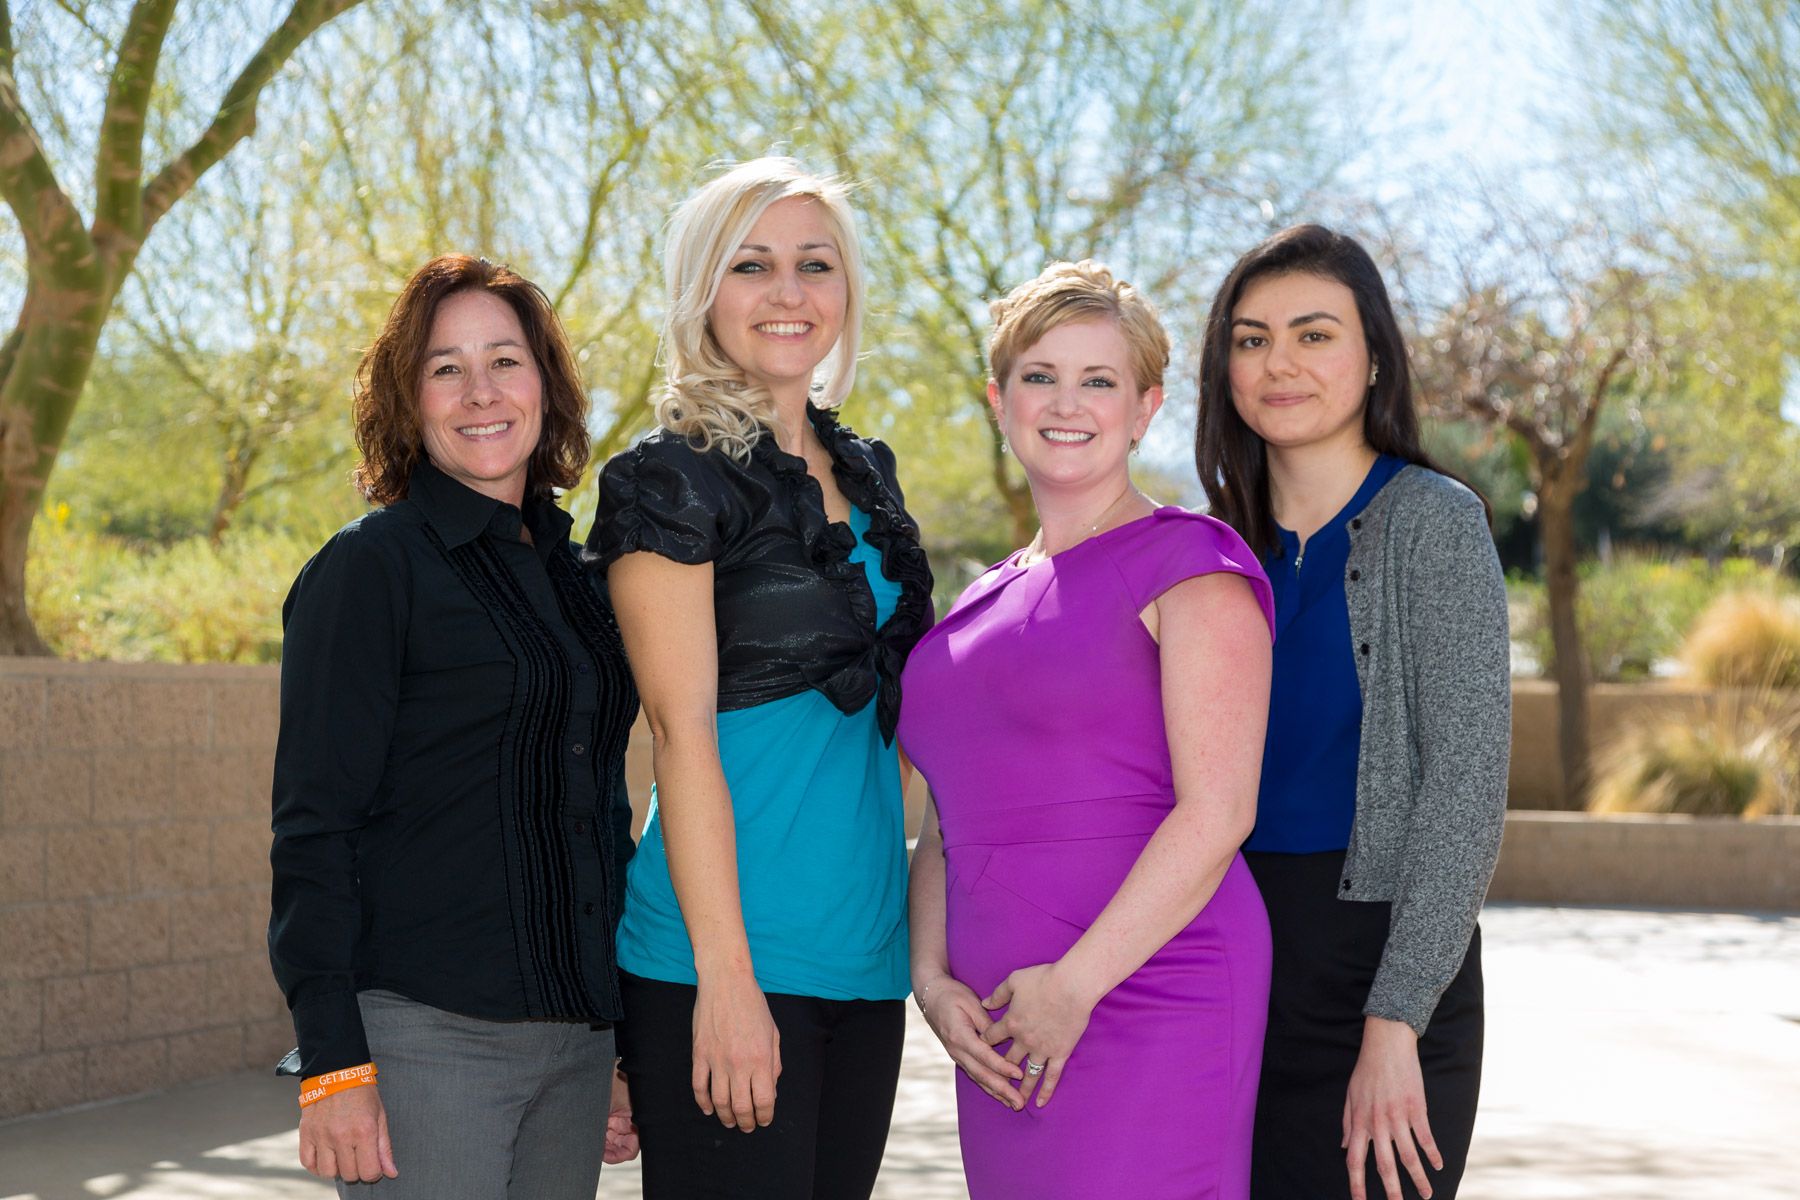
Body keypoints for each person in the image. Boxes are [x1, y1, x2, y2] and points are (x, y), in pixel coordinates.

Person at [586, 157, 934, 1199]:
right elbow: (678, 731)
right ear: (704, 289)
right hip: (726, 964)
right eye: (752, 264)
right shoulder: (668, 479)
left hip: (863, 960)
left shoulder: (870, 475)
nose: (789, 292)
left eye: (814, 264)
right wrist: (725, 984)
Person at [899, 260, 1276, 1198]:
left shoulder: (1192, 566)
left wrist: (1074, 987)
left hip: (1153, 993)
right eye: (1040, 376)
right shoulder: (978, 601)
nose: (1067, 402)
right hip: (997, 1026)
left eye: (1099, 380)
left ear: (1146, 408)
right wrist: (932, 978)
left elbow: (1219, 812)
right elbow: (948, 820)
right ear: (999, 398)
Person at [269, 254, 641, 1198]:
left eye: (505, 361)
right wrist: (334, 1066)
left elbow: (599, 811)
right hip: (426, 1039)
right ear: (410, 398)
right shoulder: (368, 571)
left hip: (577, 1046)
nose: (480, 392)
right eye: (445, 368)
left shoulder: (579, 578)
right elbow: (314, 829)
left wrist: (623, 1044)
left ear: (546, 387)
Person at [1194, 224, 1510, 1200]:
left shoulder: (1436, 522)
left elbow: (1466, 791)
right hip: (1227, 965)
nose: (1278, 362)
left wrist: (1395, 1021)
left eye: (1313, 334)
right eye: (1250, 339)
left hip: (1382, 968)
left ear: (1373, 355)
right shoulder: (1202, 548)